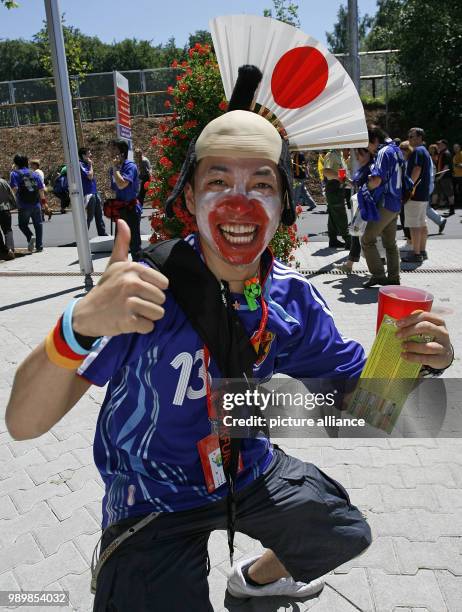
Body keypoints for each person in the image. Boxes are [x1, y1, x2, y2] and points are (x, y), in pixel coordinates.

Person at [6, 93, 455, 611]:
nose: (238, 204)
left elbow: (370, 407)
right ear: (189, 199)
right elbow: (23, 423)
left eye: (261, 184)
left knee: (342, 529)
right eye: (218, 182)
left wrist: (419, 362)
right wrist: (78, 324)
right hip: (154, 497)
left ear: (285, 204)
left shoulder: (291, 301)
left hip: (246, 469)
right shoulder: (142, 294)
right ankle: (124, 564)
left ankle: (254, 582)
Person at [361, 126, 403, 288]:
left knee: (367, 239)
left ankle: (378, 275)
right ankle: (394, 277)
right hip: (396, 202)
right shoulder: (396, 150)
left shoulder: (383, 152)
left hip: (385, 202)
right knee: (390, 243)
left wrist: (365, 188)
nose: (368, 150)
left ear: (374, 140)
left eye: (368, 145)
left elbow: (377, 180)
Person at [333, 147, 373, 273]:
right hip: (362, 205)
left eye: (359, 154)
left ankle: (377, 268)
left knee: (363, 236)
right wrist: (345, 180)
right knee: (356, 233)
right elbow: (357, 185)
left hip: (367, 206)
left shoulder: (371, 168)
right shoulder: (363, 168)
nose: (356, 157)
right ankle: (349, 265)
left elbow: (368, 186)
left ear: (367, 154)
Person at [401, 128, 436, 263]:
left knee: (414, 224)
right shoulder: (424, 151)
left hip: (415, 194)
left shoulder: (417, 151)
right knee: (421, 223)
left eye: (412, 136)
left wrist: (408, 188)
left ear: (420, 137)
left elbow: (416, 169)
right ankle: (422, 251)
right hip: (423, 194)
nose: (409, 138)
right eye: (408, 136)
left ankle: (415, 254)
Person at [109, 139, 141, 261]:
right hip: (120, 209)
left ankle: (139, 270)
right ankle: (121, 273)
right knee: (119, 244)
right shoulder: (114, 168)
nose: (111, 152)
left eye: (114, 149)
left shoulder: (130, 167)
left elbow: (122, 184)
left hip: (131, 209)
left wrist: (115, 169)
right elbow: (115, 187)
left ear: (122, 153)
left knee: (134, 245)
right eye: (110, 149)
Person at [9, 153, 45, 253]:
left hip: (23, 204)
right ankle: (39, 246)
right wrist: (44, 203)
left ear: (16, 163)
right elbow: (41, 189)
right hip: (36, 203)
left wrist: (11, 201)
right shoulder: (34, 173)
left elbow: (14, 188)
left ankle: (30, 236)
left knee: (22, 225)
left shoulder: (14, 174)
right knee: (38, 224)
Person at [323, 149, 351, 249]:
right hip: (333, 187)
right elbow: (326, 171)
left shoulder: (340, 154)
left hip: (339, 187)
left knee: (333, 215)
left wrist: (348, 182)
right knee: (340, 213)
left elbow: (341, 172)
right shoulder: (331, 154)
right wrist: (340, 178)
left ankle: (333, 240)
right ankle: (348, 240)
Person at [78, 147, 108, 236]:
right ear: (83, 156)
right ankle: (83, 235)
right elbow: (89, 176)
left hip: (94, 192)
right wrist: (90, 165)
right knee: (89, 216)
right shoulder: (81, 164)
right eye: (89, 153)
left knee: (99, 214)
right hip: (88, 194)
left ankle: (102, 233)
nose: (91, 155)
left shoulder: (86, 163)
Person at [436, 139, 455, 217]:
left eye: (440, 144)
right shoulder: (442, 153)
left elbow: (446, 166)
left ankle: (452, 210)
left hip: (446, 177)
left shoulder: (446, 153)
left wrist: (440, 176)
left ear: (444, 145)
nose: (438, 145)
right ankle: (451, 209)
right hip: (443, 176)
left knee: (449, 193)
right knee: (447, 193)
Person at [0, 175, 16, 260]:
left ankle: (2, 250)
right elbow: (11, 194)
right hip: (5, 209)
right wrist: (14, 205)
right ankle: (10, 249)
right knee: (7, 230)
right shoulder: (4, 182)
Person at [452, 143, 462, 209]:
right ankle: (458, 204)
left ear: (460, 147)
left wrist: (458, 165)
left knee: (460, 190)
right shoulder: (455, 155)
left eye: (456, 147)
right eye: (454, 148)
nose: (455, 149)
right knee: (456, 190)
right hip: (456, 175)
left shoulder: (461, 154)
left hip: (461, 176)